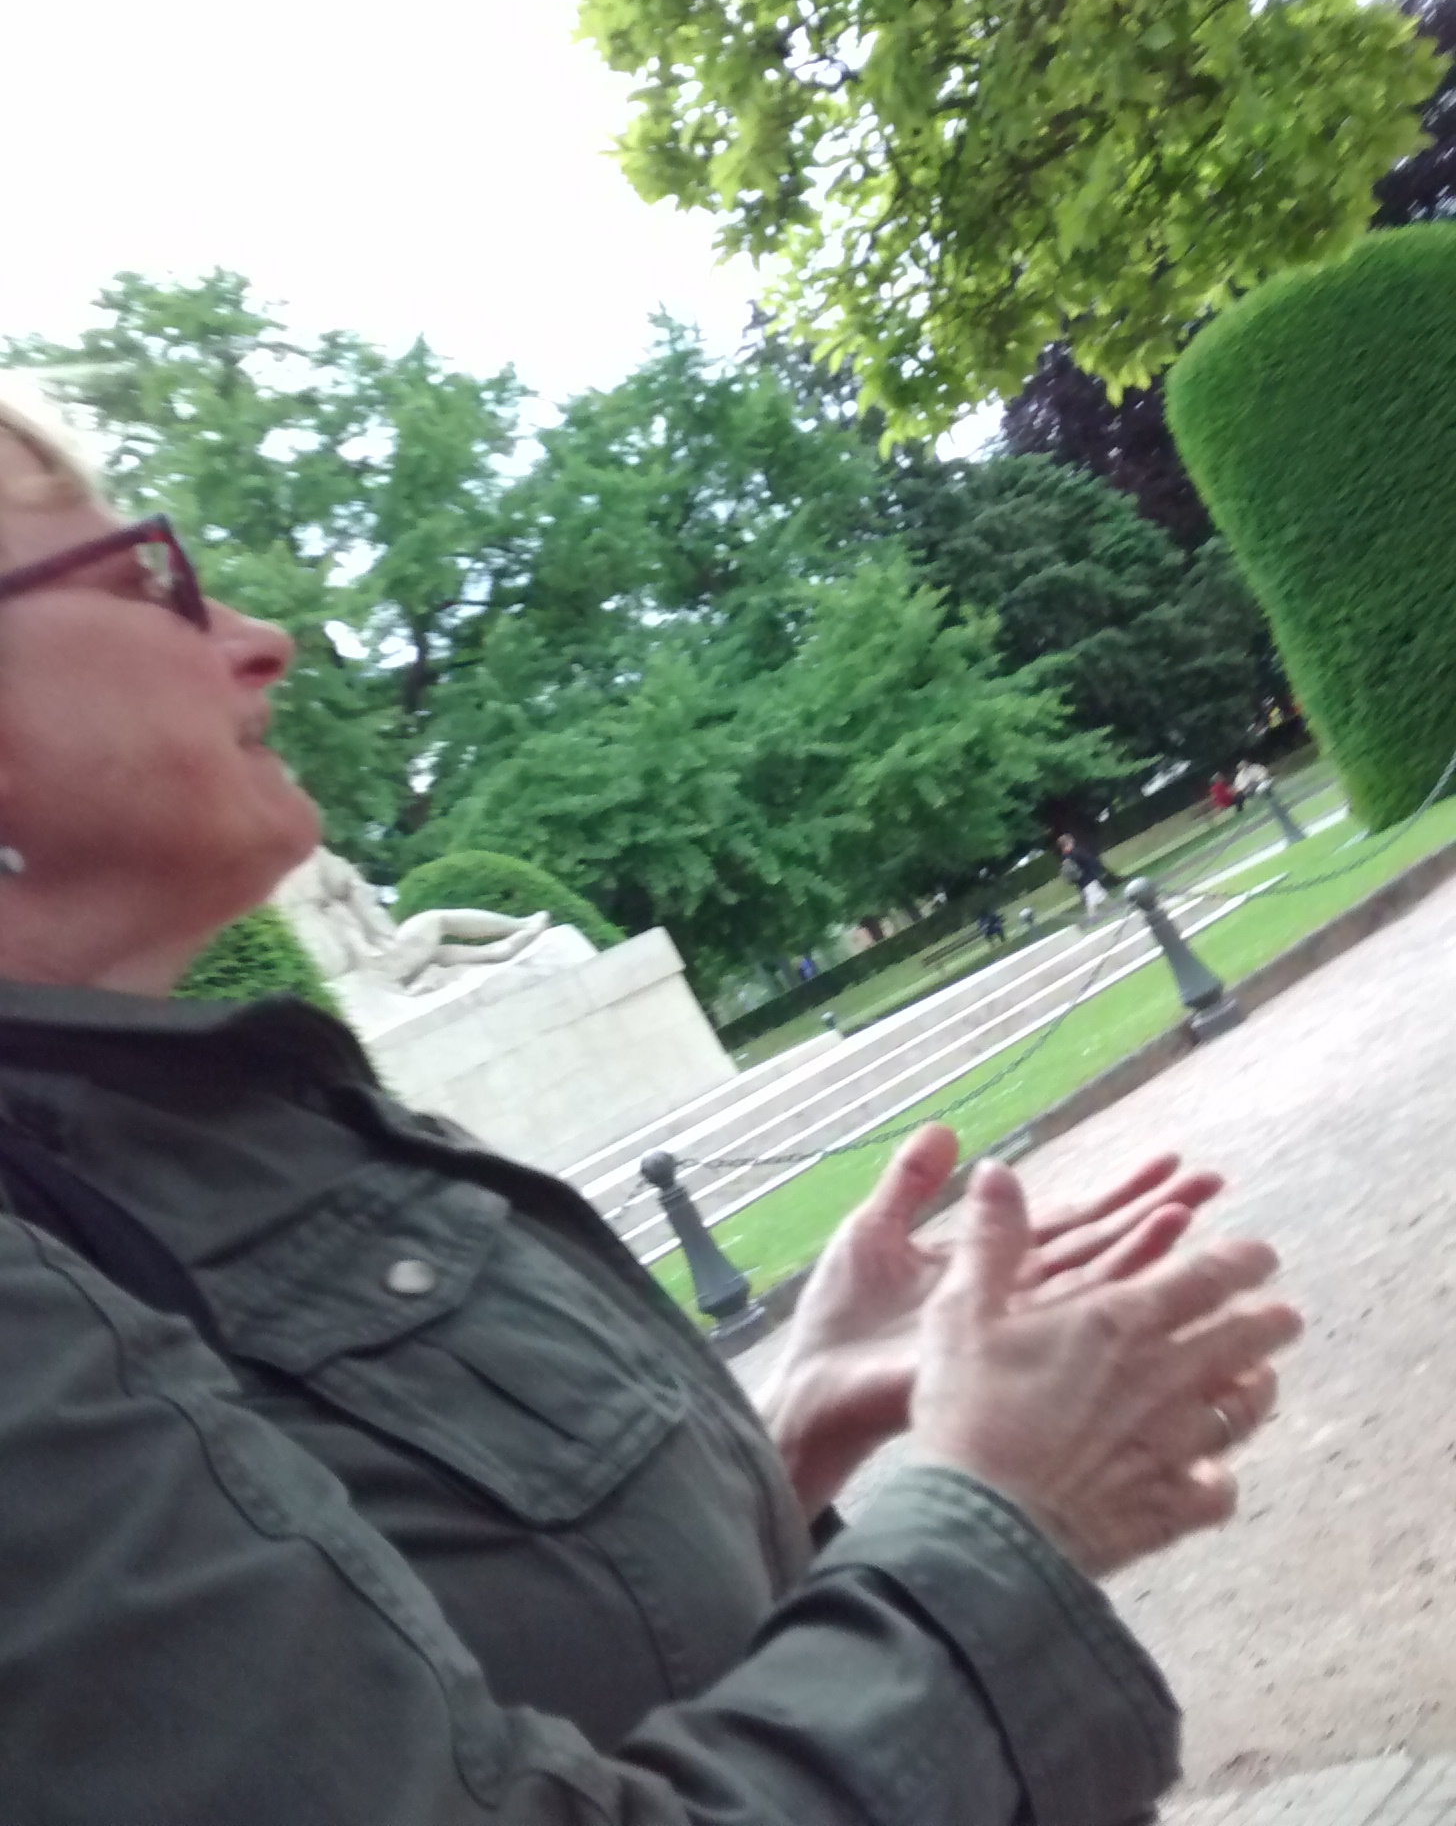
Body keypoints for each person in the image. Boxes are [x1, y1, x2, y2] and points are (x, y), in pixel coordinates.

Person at [0, 384, 1301, 1821]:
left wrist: (776, 1434)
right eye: (144, 579)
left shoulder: (186, 1116)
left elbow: (464, 1657)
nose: (261, 640)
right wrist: (1006, 1520)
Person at [1058, 832, 1118, 917]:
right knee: (1093, 897)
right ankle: (1093, 916)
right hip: (1088, 878)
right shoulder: (1077, 852)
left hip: (1080, 882)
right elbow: (1090, 861)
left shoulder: (1064, 857)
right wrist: (1099, 870)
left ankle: (1112, 907)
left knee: (1099, 893)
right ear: (1068, 842)